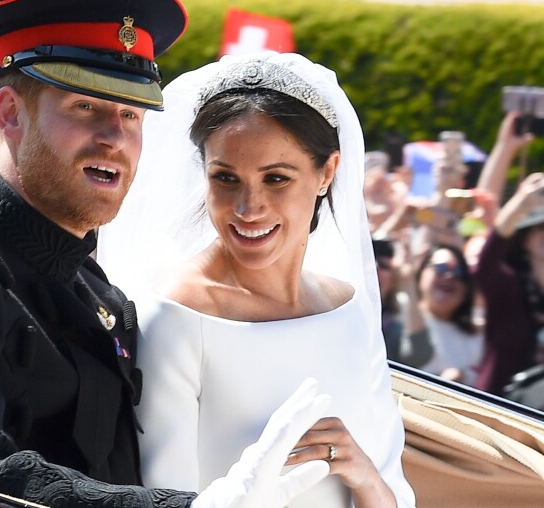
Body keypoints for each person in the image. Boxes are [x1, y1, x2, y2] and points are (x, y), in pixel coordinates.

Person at [0, 0, 334, 508]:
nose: (115, 137)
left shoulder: (103, 297)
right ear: (9, 114)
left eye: (132, 114)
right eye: (85, 107)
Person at [98, 52, 416, 507]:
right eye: (226, 178)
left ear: (326, 172)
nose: (249, 208)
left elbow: (391, 491)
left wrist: (364, 476)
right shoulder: (172, 316)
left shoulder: (348, 310)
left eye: (276, 179)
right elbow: (165, 498)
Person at [475, 173, 544, 396]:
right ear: (525, 239)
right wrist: (520, 204)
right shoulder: (508, 285)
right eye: (540, 226)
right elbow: (487, 261)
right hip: (499, 407)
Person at [415, 245, 483, 385]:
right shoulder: (400, 316)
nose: (449, 276)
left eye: (458, 272)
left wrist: (463, 376)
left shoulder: (479, 332)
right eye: (441, 268)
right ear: (421, 272)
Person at [373, 237, 433, 368]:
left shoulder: (394, 322)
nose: (375, 270)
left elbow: (417, 354)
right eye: (370, 263)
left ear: (394, 277)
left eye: (383, 266)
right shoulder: (337, 308)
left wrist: (409, 281)